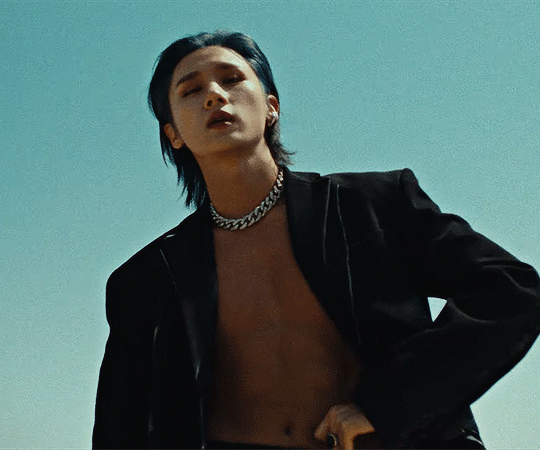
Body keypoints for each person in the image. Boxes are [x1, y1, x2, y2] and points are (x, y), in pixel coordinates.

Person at [92, 30, 540, 450]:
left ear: (271, 107)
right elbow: (120, 428)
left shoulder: (373, 206)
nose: (214, 95)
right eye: (191, 90)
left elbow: (512, 290)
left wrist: (389, 406)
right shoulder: (146, 280)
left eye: (232, 79)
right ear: (172, 133)